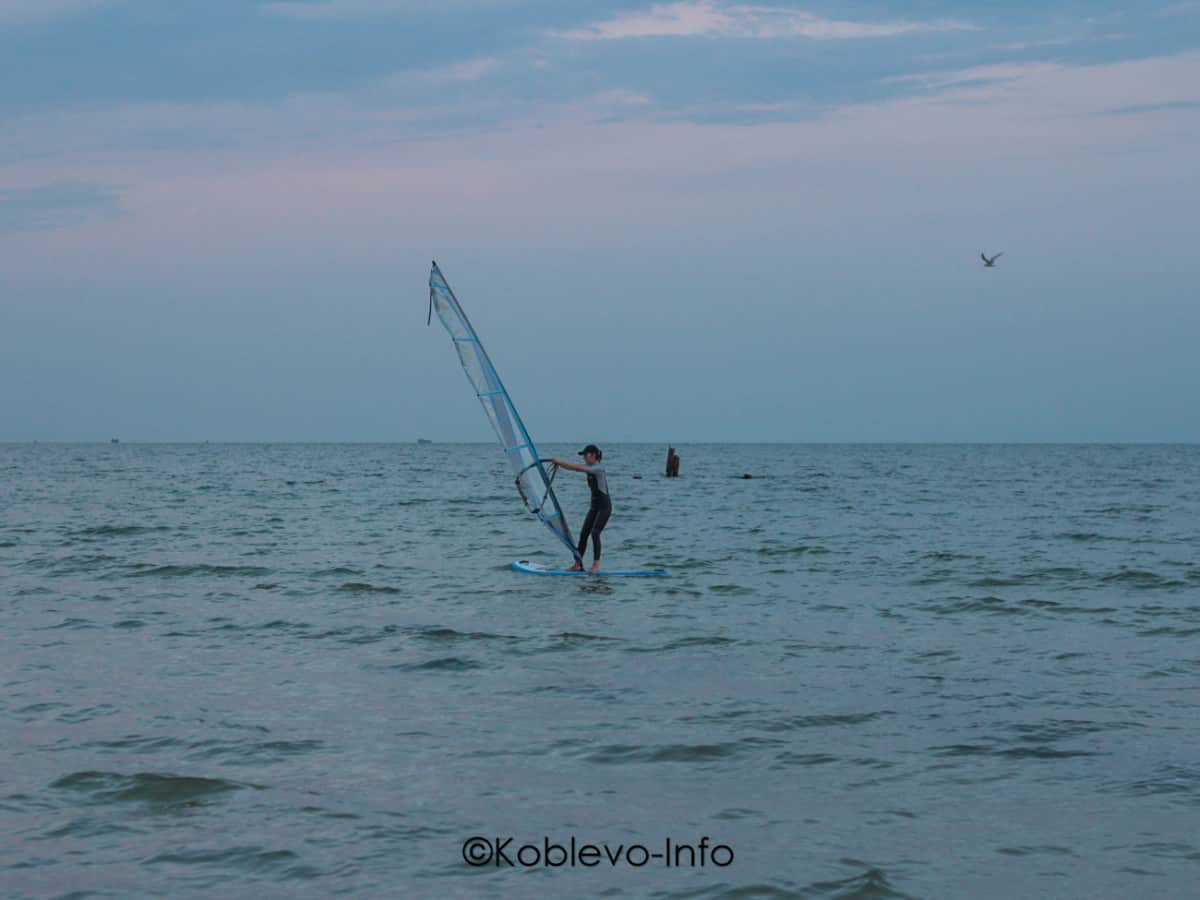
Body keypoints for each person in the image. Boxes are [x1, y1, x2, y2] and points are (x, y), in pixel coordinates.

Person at [550, 444, 611, 573]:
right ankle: (578, 564)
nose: (583, 457)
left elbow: (577, 468)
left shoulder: (598, 468)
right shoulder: (590, 468)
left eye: (585, 455)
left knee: (595, 533)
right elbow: (576, 468)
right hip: (594, 507)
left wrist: (559, 462)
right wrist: (559, 464)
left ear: (593, 455)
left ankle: (596, 565)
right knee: (583, 534)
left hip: (604, 507)